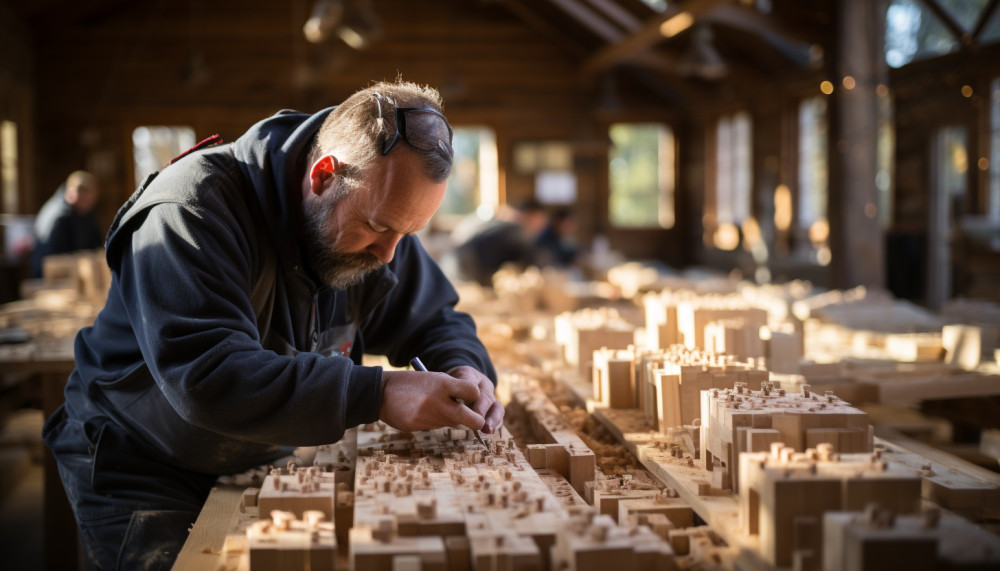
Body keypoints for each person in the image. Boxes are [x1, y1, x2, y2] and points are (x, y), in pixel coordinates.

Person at [43, 80, 505, 570]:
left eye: (406, 232)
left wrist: (462, 365)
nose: (388, 254)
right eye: (379, 227)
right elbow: (208, 376)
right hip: (143, 460)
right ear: (324, 176)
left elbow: (434, 317)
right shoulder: (189, 210)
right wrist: (379, 393)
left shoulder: (378, 208)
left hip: (250, 452)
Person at [453, 199, 547, 286]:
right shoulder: (519, 231)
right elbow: (531, 262)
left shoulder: (503, 222)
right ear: (531, 215)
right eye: (540, 219)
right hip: (469, 264)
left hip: (461, 258)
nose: (542, 225)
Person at [30, 170, 104, 278]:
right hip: (49, 278)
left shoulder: (84, 214)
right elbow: (54, 259)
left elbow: (96, 246)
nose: (89, 201)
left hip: (70, 275)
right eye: (84, 196)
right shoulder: (59, 217)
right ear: (72, 193)